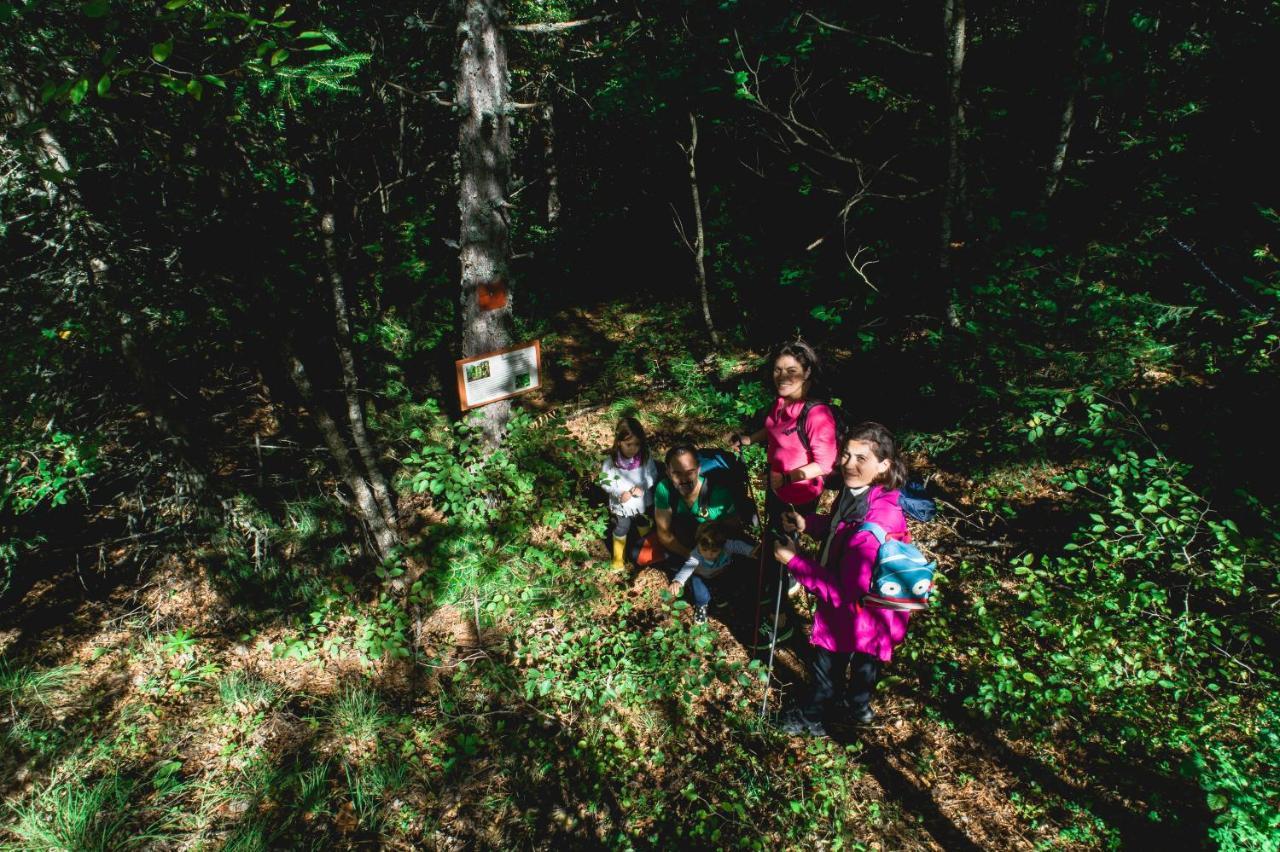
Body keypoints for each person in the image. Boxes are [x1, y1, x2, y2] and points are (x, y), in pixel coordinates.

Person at [773, 422, 912, 737]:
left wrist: (794, 561)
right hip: (879, 610)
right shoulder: (869, 494)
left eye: (861, 458)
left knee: (827, 670)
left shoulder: (874, 523)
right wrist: (806, 523)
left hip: (851, 614)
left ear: (884, 465)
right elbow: (839, 528)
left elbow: (841, 591)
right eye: (846, 455)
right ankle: (858, 707)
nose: (848, 465)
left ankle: (810, 719)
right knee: (866, 659)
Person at [732, 340, 838, 639]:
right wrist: (749, 440)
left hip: (800, 497)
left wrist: (789, 478)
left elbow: (825, 463)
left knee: (782, 550)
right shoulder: (780, 403)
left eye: (791, 370)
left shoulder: (817, 415)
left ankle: (780, 623)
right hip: (777, 489)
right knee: (773, 540)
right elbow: (772, 430)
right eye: (778, 370)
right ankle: (779, 586)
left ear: (806, 372)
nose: (783, 376)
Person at [651, 444, 740, 564]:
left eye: (690, 472)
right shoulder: (664, 489)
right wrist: (693, 559)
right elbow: (663, 533)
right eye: (677, 474)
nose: (684, 479)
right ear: (668, 472)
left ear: (698, 469)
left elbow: (734, 525)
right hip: (686, 546)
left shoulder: (719, 494)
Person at [666, 521, 757, 624]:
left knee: (729, 581)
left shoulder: (727, 546)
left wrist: (751, 550)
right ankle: (701, 607)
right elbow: (688, 567)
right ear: (698, 543)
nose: (709, 554)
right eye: (704, 550)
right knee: (701, 594)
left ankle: (719, 595)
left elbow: (738, 546)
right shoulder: (696, 555)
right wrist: (678, 581)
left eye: (714, 551)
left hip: (719, 573)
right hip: (700, 575)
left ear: (722, 546)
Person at [600, 417, 658, 568]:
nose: (633, 449)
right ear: (619, 442)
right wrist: (618, 493)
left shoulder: (645, 456)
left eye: (637, 444)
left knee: (643, 522)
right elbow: (605, 482)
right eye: (629, 444)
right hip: (622, 504)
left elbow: (652, 474)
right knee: (622, 527)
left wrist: (644, 487)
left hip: (641, 502)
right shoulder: (610, 462)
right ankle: (618, 560)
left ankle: (648, 554)